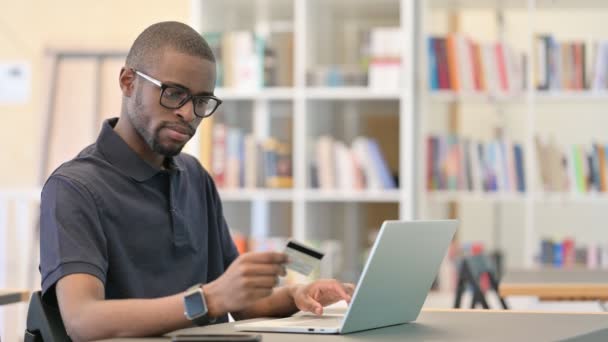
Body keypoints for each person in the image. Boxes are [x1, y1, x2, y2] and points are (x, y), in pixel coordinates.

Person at [39, 21, 354, 342]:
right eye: (174, 93)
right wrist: (208, 300)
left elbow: (241, 303)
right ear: (128, 82)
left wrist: (298, 295)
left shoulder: (194, 176)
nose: (188, 113)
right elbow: (83, 320)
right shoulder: (74, 188)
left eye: (202, 101)